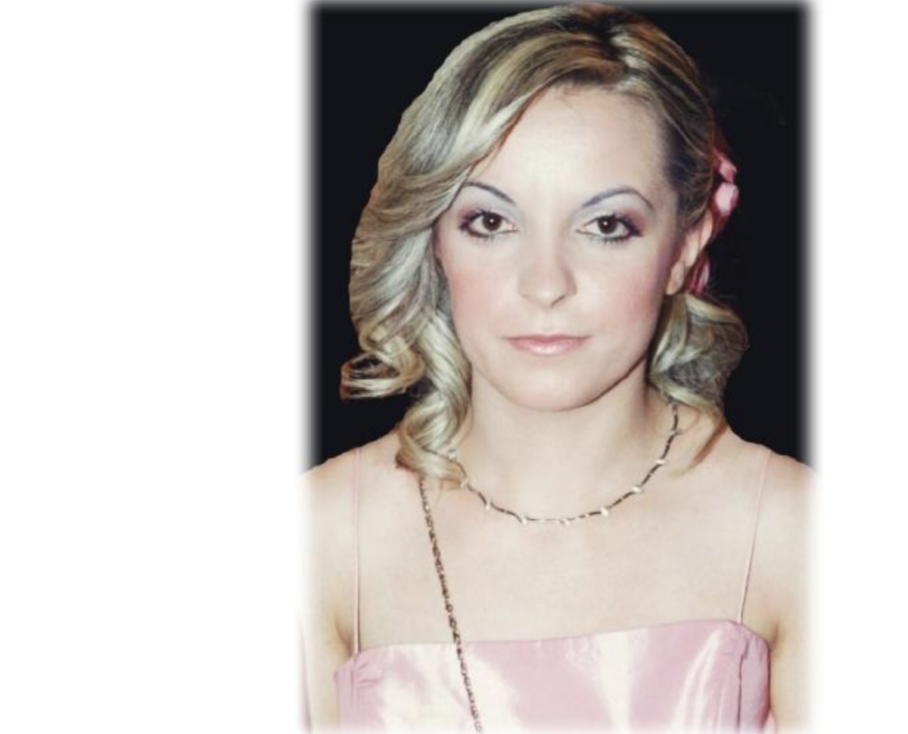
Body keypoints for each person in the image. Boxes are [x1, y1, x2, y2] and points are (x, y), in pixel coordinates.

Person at [301, 4, 811, 730]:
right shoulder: (321, 537)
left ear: (686, 245)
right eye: (491, 222)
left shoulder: (795, 531)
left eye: (605, 226)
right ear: (435, 240)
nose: (545, 284)